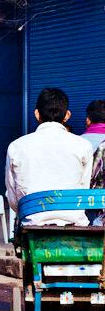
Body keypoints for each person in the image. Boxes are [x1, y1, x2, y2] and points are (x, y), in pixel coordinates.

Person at [7, 88, 93, 226]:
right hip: (74, 222)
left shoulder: (16, 146)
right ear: (67, 116)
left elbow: (12, 195)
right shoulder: (83, 145)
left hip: (32, 223)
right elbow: (84, 187)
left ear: (36, 114)